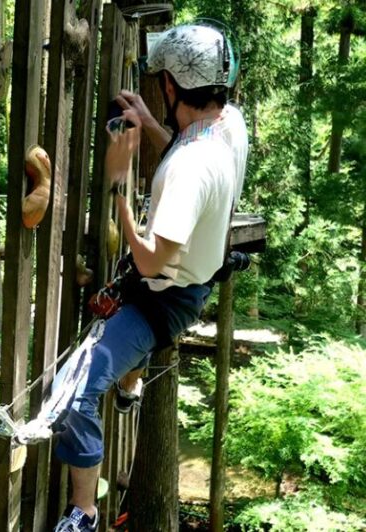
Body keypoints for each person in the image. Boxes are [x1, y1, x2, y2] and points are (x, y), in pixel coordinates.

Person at [53, 23, 249, 532]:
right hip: (188, 284)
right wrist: (148, 124)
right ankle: (130, 386)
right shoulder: (226, 129)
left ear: (168, 87)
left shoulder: (188, 168)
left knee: (73, 396)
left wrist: (118, 181)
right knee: (117, 362)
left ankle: (85, 512)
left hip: (159, 298)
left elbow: (148, 263)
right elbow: (184, 146)